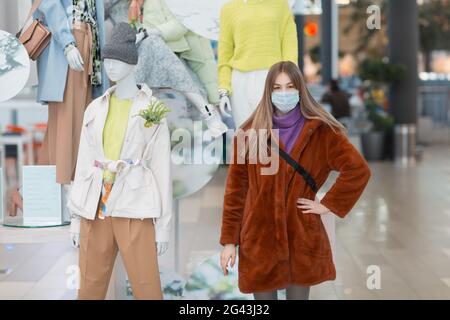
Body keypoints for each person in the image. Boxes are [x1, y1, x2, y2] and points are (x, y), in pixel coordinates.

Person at [219, 61, 371, 300]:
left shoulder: (321, 131)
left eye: (289, 86)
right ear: (268, 91)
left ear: (300, 89)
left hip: (302, 236)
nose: (283, 93)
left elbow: (358, 170)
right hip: (260, 238)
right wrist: (229, 241)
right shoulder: (250, 133)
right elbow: (236, 191)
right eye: (277, 88)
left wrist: (328, 204)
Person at [67, 23, 171, 299]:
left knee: (147, 287)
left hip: (135, 205)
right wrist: (76, 218)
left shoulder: (151, 109)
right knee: (89, 287)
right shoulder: (95, 108)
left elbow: (162, 171)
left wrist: (163, 227)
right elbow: (83, 166)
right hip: (95, 206)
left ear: (131, 63)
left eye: (117, 60)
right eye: (108, 60)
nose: (110, 67)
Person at [218, 0, 298, 128]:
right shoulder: (228, 9)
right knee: (246, 133)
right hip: (240, 80)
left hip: (274, 78)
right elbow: (224, 55)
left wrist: (291, 79)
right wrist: (223, 89)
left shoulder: (280, 4)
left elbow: (290, 46)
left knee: (274, 132)